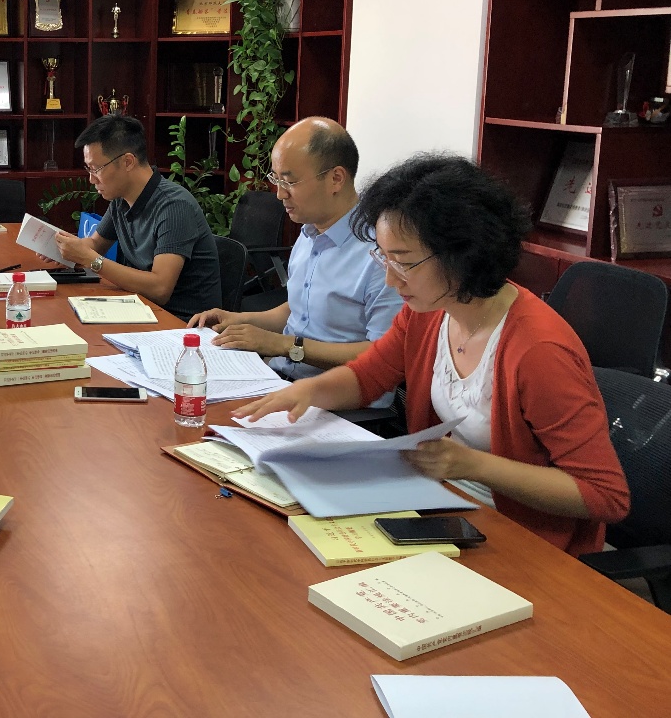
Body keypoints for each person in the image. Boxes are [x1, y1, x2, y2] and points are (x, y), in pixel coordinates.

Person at [233, 154, 629, 555]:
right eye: (383, 257)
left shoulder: (538, 351)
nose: (390, 279)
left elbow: (605, 495)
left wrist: (473, 466)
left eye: (404, 263)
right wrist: (306, 393)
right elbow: (367, 377)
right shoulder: (429, 312)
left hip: (526, 539)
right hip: (448, 505)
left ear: (463, 254)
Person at [189, 118, 401, 401]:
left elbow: (384, 355)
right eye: (276, 179)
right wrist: (237, 320)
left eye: (290, 181)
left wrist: (287, 346)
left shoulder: (381, 253)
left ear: (336, 178)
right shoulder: (310, 232)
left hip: (338, 404)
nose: (280, 194)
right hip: (278, 381)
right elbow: (298, 309)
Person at [52, 114, 220, 323]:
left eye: (96, 169)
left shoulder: (174, 206)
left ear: (128, 162)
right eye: (89, 169)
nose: (91, 179)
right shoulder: (121, 199)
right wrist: (64, 248)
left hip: (181, 323)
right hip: (141, 309)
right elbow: (95, 245)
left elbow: (160, 289)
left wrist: (90, 260)